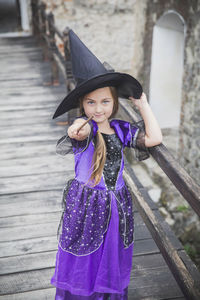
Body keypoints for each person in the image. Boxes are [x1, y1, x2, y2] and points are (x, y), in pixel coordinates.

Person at [50, 29, 162, 300]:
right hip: (87, 205)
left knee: (110, 256)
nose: (98, 109)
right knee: (84, 256)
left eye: (104, 102)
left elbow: (154, 138)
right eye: (91, 102)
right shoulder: (85, 130)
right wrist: (77, 127)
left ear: (113, 103)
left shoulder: (121, 130)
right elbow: (76, 131)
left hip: (116, 206)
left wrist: (142, 104)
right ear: (82, 103)